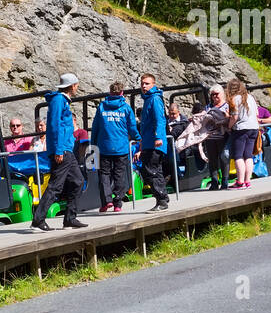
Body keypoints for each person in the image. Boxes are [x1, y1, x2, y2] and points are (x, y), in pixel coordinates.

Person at [31, 74, 87, 232]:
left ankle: (70, 218)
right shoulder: (58, 100)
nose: (77, 87)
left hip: (67, 149)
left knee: (78, 181)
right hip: (62, 150)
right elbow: (55, 126)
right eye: (76, 85)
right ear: (72, 86)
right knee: (55, 185)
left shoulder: (62, 101)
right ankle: (38, 220)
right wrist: (58, 149)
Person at [92, 81, 139, 212]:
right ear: (122, 93)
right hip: (121, 147)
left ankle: (106, 202)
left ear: (110, 92)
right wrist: (138, 138)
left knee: (104, 175)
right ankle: (118, 203)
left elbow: (95, 127)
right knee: (119, 175)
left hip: (104, 147)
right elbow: (132, 128)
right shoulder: (126, 108)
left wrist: (93, 145)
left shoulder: (101, 107)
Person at [136, 73, 170, 211]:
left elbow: (159, 119)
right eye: (142, 83)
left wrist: (159, 137)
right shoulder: (148, 99)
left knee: (150, 171)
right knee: (156, 171)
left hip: (155, 142)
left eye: (147, 83)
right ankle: (163, 197)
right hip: (149, 142)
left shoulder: (155, 99)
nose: (144, 86)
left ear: (154, 84)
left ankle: (161, 201)